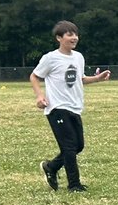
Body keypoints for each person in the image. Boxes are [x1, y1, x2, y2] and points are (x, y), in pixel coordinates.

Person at [30, 20, 110, 192]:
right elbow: (34, 76)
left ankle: (51, 167)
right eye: (70, 34)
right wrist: (39, 96)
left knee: (78, 146)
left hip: (75, 107)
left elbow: (80, 79)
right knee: (68, 147)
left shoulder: (78, 57)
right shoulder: (50, 58)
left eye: (76, 34)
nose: (74, 38)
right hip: (57, 108)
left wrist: (97, 78)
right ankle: (74, 184)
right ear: (59, 38)